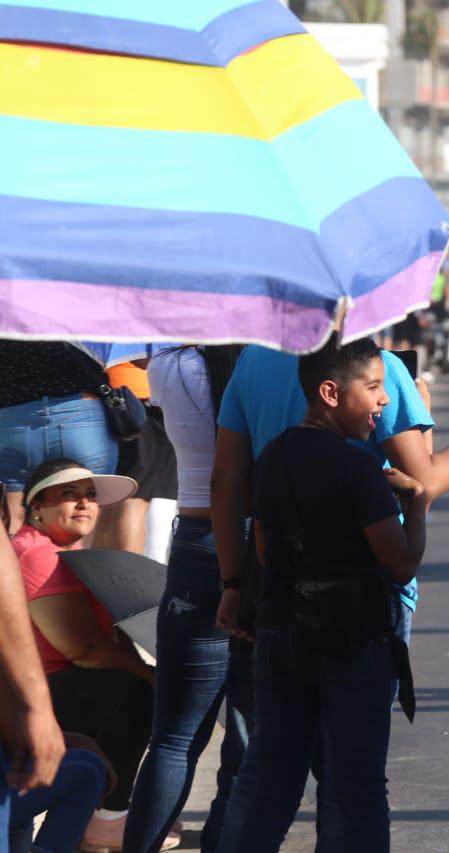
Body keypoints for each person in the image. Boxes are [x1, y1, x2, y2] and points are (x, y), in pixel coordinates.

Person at [209, 341, 449, 847]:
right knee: (356, 783)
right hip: (356, 633)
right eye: (373, 390)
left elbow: (256, 535)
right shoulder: (361, 468)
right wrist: (416, 501)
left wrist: (234, 584)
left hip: (281, 625)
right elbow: (401, 560)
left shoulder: (275, 449)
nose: (384, 400)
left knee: (268, 776)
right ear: (331, 392)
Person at [124, 346, 249, 853]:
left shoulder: (168, 366)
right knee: (249, 734)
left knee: (174, 739)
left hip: (195, 539)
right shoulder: (263, 365)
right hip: (255, 540)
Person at [12, 459, 170, 851]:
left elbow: (108, 638)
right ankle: (107, 818)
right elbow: (81, 649)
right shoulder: (39, 555)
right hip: (27, 696)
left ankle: (99, 809)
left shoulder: (71, 553)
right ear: (38, 505)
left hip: (48, 691)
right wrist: (148, 675)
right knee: (133, 692)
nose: (84, 504)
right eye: (69, 494)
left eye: (90, 496)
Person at [0, 343, 119, 535]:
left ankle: (21, 563)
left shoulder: (8, 317)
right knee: (83, 518)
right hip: (81, 417)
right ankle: (72, 564)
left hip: (12, 420)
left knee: (12, 520)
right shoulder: (80, 314)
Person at [94, 360, 180, 564]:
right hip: (139, 399)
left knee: (111, 498)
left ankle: (99, 578)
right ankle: (126, 576)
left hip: (107, 395)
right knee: (135, 497)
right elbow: (146, 359)